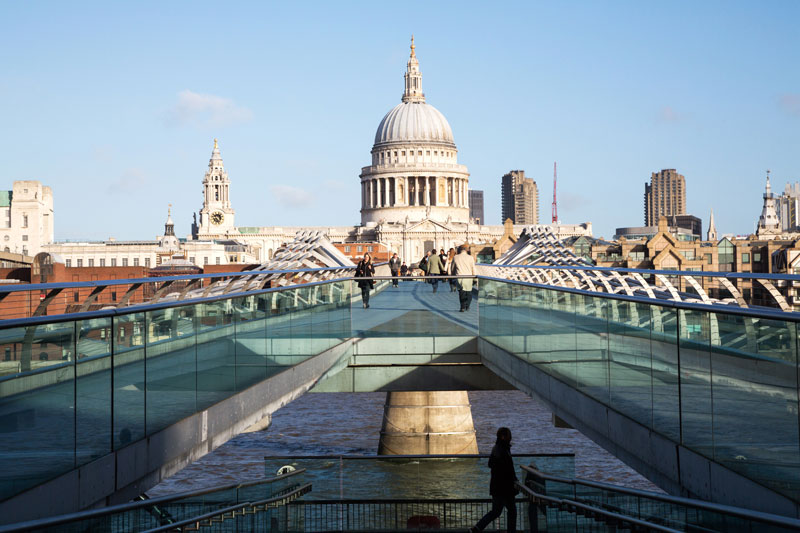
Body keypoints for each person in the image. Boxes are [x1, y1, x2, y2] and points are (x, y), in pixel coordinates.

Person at [471, 427, 518, 533]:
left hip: (499, 487)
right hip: (504, 487)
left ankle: (476, 528)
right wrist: (513, 480)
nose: (510, 437)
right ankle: (511, 531)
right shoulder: (502, 449)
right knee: (510, 511)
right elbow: (507, 469)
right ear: (503, 436)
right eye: (509, 435)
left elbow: (492, 465)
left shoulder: (498, 448)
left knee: (497, 511)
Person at [452, 245, 476, 311]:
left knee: (461, 292)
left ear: (460, 250)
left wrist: (452, 276)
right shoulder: (470, 258)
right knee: (468, 292)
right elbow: (473, 268)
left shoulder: (455, 257)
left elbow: (453, 268)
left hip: (459, 277)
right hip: (468, 277)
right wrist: (475, 278)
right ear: (466, 250)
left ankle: (462, 307)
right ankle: (467, 305)